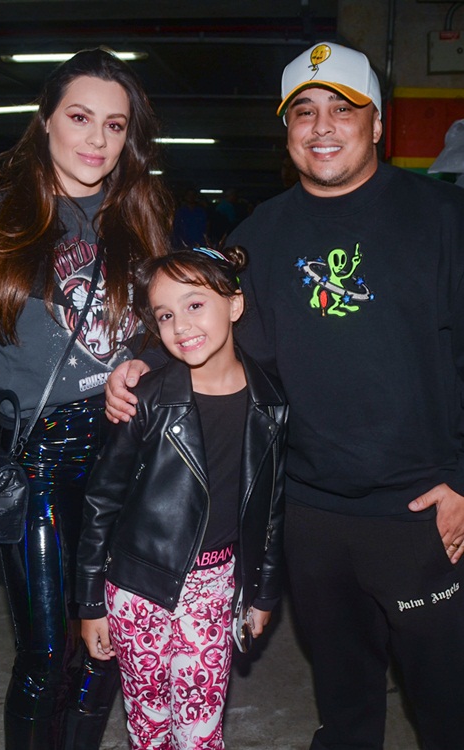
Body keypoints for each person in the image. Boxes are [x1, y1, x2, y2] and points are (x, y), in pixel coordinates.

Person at [104, 41, 464, 750]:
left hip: (420, 511)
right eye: (303, 111)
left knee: (446, 706)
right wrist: (137, 361)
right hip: (306, 514)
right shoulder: (259, 236)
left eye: (342, 109)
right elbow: (201, 318)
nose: (322, 126)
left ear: (377, 123)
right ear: (287, 129)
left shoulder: (443, 218)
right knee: (343, 702)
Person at [0, 48, 172, 750]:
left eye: (115, 126)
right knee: (48, 653)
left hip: (130, 455)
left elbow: (173, 332)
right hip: (41, 463)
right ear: (46, 121)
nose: (97, 140)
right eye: (80, 118)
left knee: (106, 647)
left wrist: (145, 360)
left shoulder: (140, 218)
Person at [76, 246, 287, 750]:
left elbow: (271, 509)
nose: (180, 325)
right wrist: (90, 602)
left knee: (200, 729)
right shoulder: (147, 399)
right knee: (147, 725)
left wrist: (263, 593)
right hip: (136, 588)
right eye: (165, 315)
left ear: (234, 304)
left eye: (195, 305)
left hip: (215, 590)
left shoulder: (270, 404)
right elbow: (101, 502)